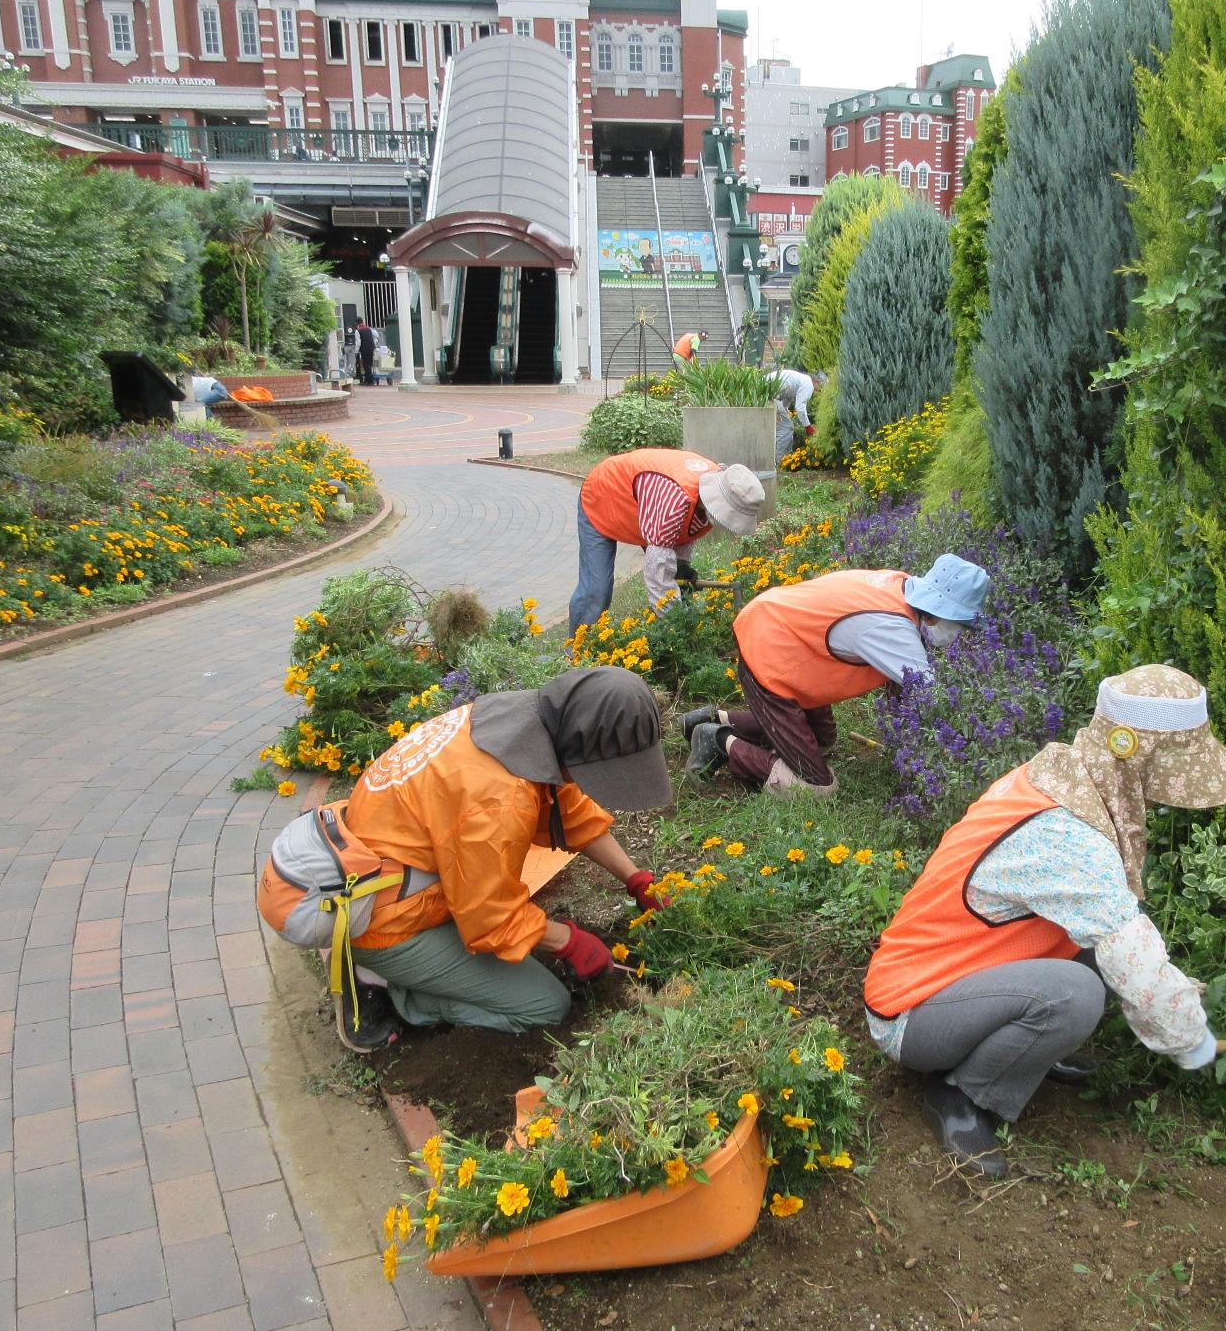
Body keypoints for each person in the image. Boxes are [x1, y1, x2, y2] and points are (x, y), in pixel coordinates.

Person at [863, 665, 1226, 1178]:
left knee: (1098, 944)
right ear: (1137, 752)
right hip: (912, 1013)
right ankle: (959, 1093)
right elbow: (1133, 957)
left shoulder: (1059, 776)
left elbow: (1112, 923)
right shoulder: (1067, 836)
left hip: (958, 972)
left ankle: (1022, 1054)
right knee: (1076, 992)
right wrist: (1194, 1042)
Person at [336, 666, 675, 1047]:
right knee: (545, 1006)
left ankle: (414, 967)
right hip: (385, 920)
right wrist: (568, 942)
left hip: (400, 871)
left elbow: (570, 814)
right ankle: (393, 990)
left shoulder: (515, 725)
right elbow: (489, 916)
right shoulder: (497, 797)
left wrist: (635, 878)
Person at [678, 555, 990, 794]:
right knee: (815, 787)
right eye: (961, 626)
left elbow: (903, 693)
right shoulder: (893, 629)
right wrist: (968, 750)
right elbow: (930, 701)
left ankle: (716, 718)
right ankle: (719, 741)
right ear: (941, 615)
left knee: (821, 742)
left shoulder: (901, 585)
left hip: (787, 637)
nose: (960, 634)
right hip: (770, 652)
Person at [568, 448, 765, 634]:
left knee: (676, 575)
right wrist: (674, 626)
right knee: (597, 589)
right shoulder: (675, 499)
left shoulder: (717, 487)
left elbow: (684, 536)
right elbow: (657, 573)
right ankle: (576, 651)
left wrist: (679, 571)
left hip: (645, 504)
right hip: (603, 494)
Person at [774, 368, 824, 460]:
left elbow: (785, 400)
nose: (820, 390)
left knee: (781, 427)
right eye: (820, 386)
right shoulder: (808, 384)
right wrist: (808, 426)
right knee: (787, 428)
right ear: (816, 382)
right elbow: (800, 408)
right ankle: (779, 460)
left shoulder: (800, 380)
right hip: (768, 394)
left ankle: (785, 458)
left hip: (766, 391)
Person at [356, 319, 377, 385]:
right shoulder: (369, 329)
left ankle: (370, 381)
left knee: (366, 365)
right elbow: (376, 335)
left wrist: (356, 351)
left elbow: (358, 342)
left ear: (356, 324)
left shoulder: (358, 331)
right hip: (371, 348)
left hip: (364, 349)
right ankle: (368, 380)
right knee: (370, 364)